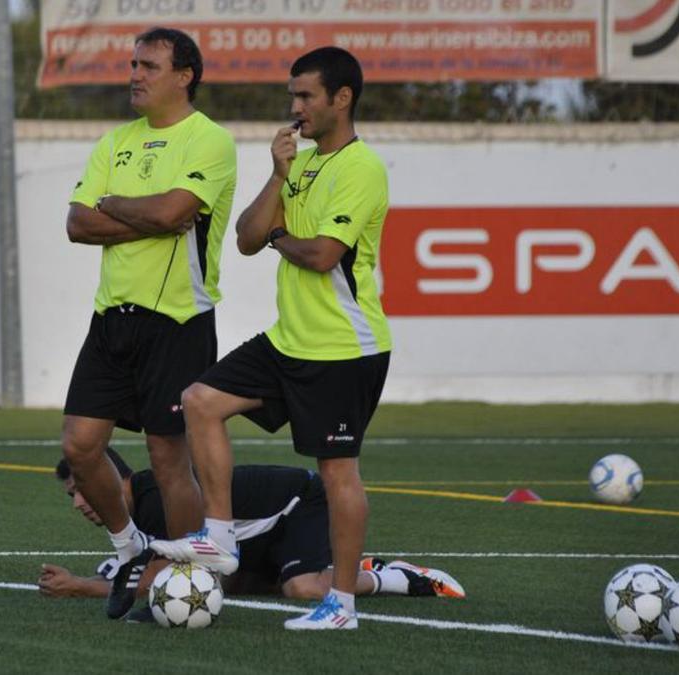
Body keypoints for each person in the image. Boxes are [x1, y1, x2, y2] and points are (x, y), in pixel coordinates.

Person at [150, 46, 392, 630]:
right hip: (289, 341)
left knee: (337, 474)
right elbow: (246, 238)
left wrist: (281, 234)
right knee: (200, 401)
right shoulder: (302, 164)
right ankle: (221, 540)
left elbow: (321, 255)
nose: (295, 108)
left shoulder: (363, 169)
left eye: (306, 96)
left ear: (342, 98)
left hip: (342, 349)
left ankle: (343, 605)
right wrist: (279, 175)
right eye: (292, 96)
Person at [60, 26, 237, 620]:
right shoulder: (114, 142)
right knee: (82, 447)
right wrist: (140, 214)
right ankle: (130, 546)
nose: (135, 75)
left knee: (167, 460)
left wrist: (118, 206)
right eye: (133, 64)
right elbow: (78, 224)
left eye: (149, 66)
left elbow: (174, 212)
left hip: (177, 320)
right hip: (112, 317)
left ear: (184, 75)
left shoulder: (209, 141)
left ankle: (183, 579)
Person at [39, 448, 464, 622]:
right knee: (228, 584)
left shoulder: (155, 499)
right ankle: (344, 568)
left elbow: (153, 580)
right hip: (254, 534)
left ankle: (397, 576)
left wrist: (81, 587)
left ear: (112, 478)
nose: (79, 504)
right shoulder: (139, 504)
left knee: (303, 589)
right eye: (71, 496)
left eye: (81, 491)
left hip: (298, 503)